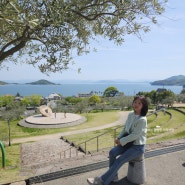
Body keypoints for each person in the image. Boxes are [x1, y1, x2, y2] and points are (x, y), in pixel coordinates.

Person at [87, 95, 148, 185]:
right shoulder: (131, 114)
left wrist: (122, 141)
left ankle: (102, 181)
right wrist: (119, 137)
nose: (136, 104)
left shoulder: (142, 119)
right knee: (112, 152)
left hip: (137, 147)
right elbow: (125, 129)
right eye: (135, 102)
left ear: (143, 106)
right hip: (128, 143)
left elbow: (135, 135)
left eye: (139, 103)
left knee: (120, 160)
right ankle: (114, 177)